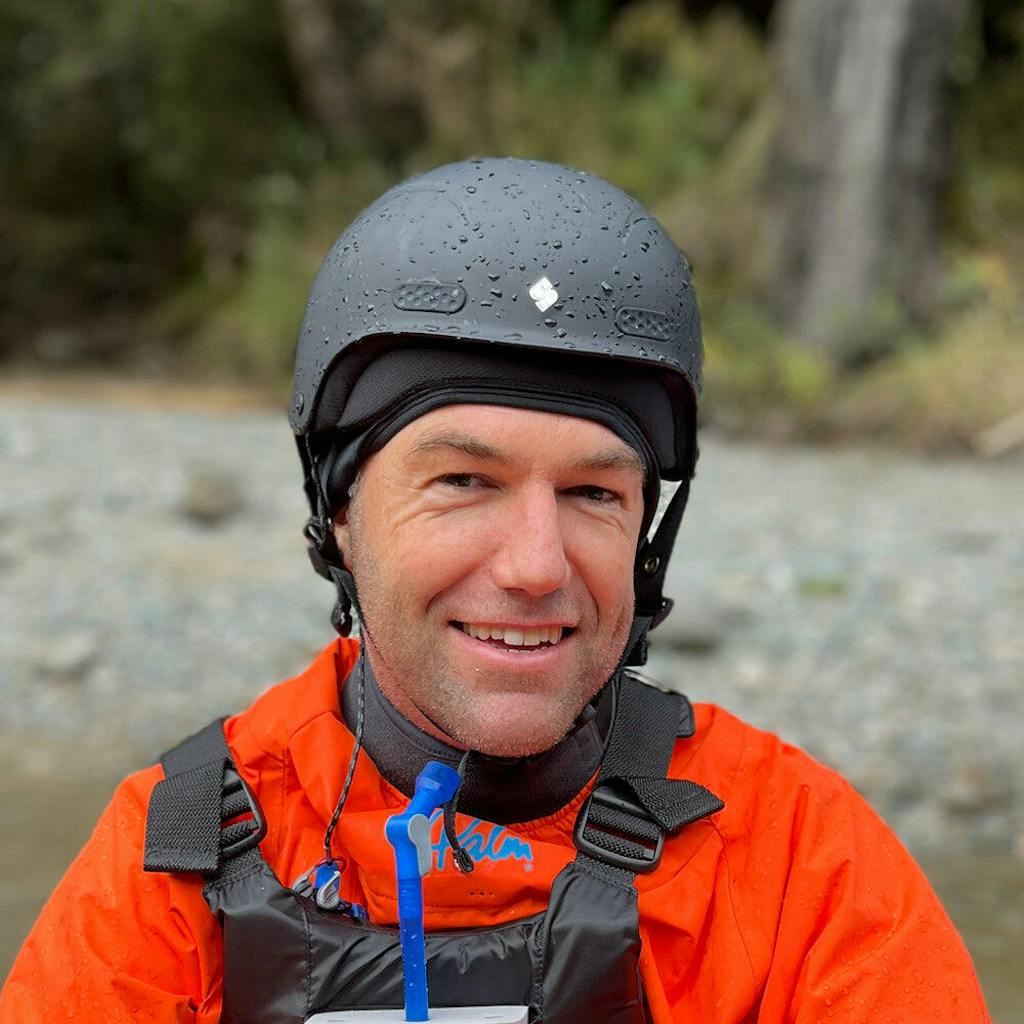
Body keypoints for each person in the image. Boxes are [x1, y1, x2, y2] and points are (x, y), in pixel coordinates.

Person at [0, 158, 990, 1023]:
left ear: (647, 539)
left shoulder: (798, 862)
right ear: (340, 513)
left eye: (594, 493)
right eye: (464, 481)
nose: (535, 565)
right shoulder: (177, 860)